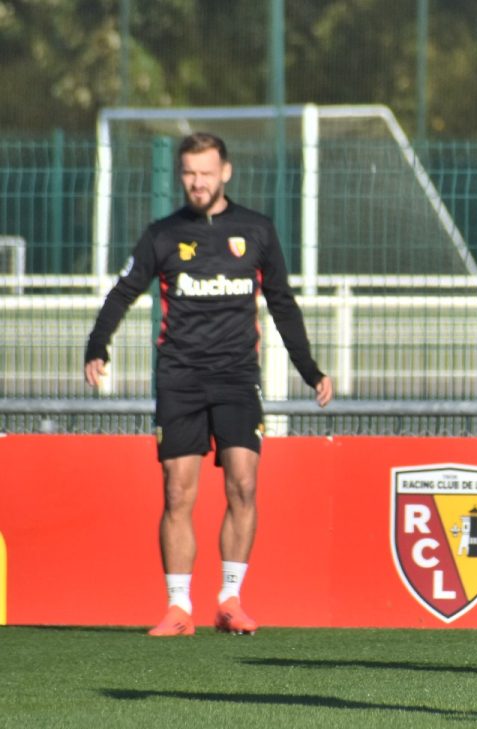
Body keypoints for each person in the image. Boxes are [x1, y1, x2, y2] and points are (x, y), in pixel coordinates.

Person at [84, 132, 333, 637]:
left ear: (226, 172)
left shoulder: (256, 231)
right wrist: (97, 345)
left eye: (205, 172)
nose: (197, 182)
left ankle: (229, 599)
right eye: (189, 174)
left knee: (243, 482)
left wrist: (310, 369)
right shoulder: (162, 234)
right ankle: (178, 607)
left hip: (238, 377)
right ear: (182, 176)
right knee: (177, 491)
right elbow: (123, 291)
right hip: (179, 379)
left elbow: (282, 303)